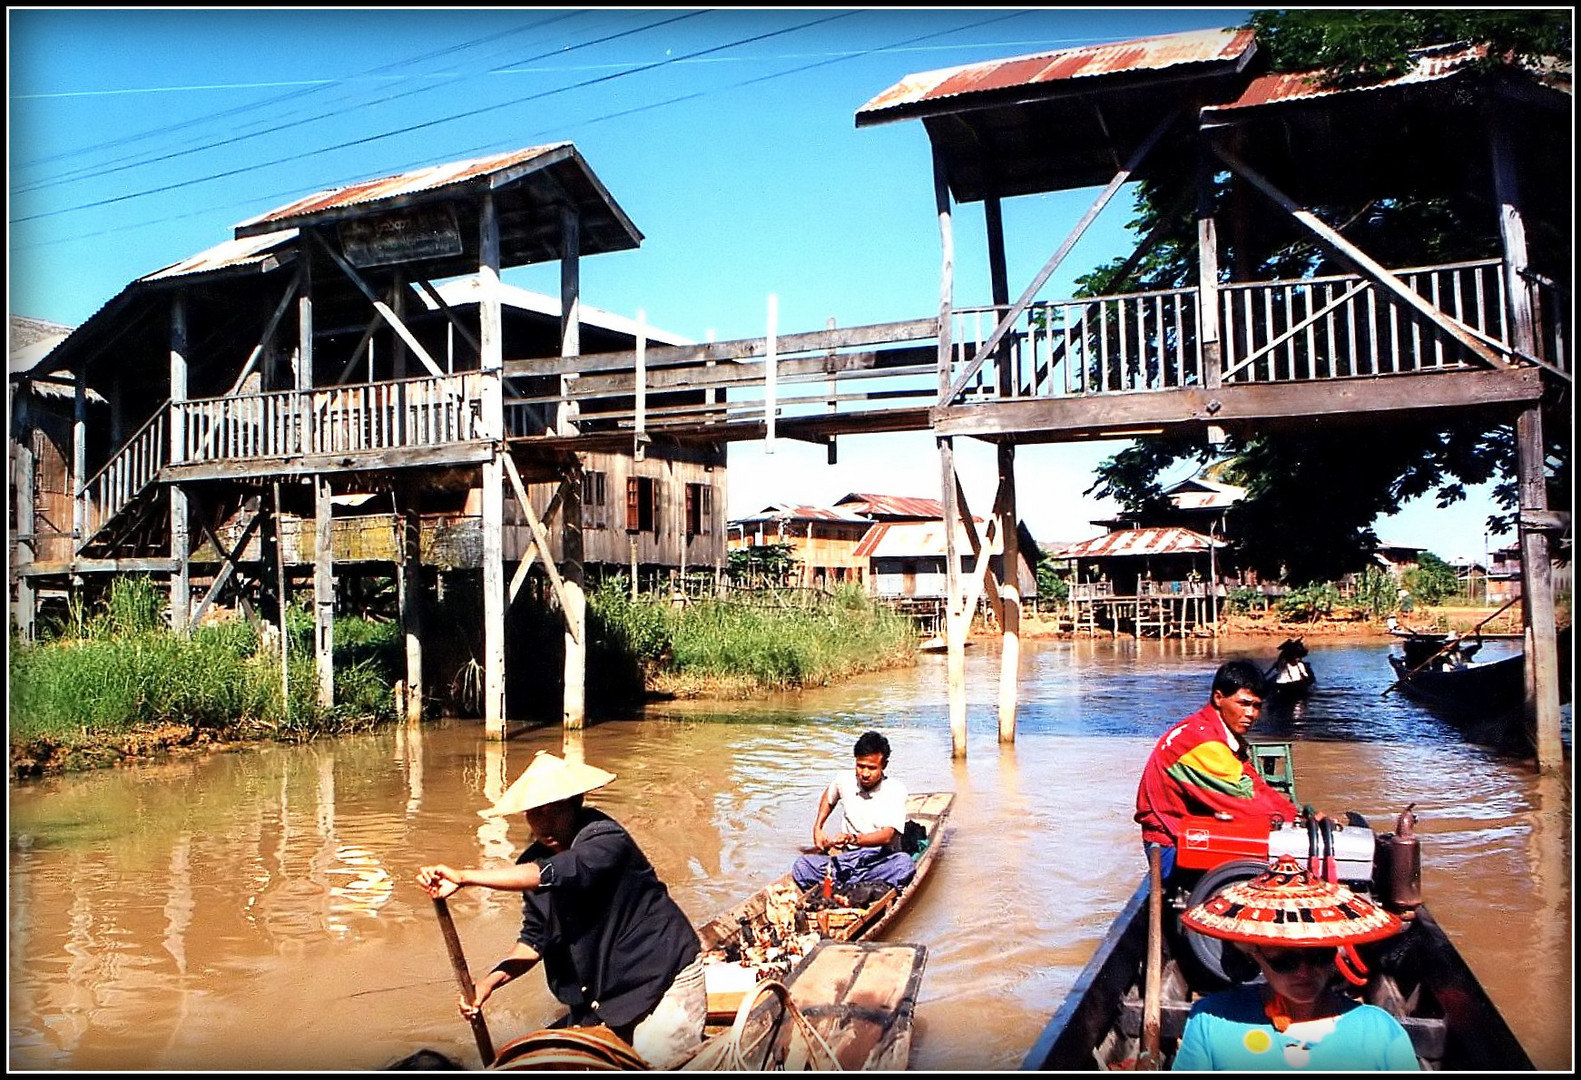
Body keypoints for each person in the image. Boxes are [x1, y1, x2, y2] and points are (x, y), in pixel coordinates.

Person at [416, 750, 705, 1070]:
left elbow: (559, 871)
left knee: (659, 1065)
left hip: (662, 978)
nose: (543, 821)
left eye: (553, 809)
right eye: (535, 812)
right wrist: (487, 984)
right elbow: (535, 940)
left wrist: (466, 877)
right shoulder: (531, 862)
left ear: (576, 802)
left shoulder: (605, 841)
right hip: (605, 995)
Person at [1172, 855, 1420, 1070]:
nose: (1304, 972)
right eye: (1285, 960)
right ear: (1253, 953)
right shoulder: (1212, 1019)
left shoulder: (1379, 1029)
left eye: (1319, 956)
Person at [1135, 659, 1303, 880]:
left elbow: (1254, 785)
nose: (1251, 713)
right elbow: (1245, 802)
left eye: (1256, 706)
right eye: (1243, 703)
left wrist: (1296, 816)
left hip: (1189, 830)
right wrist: (1293, 824)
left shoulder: (1215, 732)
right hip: (1170, 842)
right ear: (1218, 698)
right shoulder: (1202, 742)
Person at [791, 730, 916, 892]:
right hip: (847, 860)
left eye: (871, 768)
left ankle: (847, 886)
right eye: (860, 766)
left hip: (879, 859)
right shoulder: (844, 780)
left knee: (904, 864)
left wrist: (853, 838)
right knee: (802, 865)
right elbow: (829, 797)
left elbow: (887, 836)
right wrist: (818, 827)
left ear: (884, 765)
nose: (864, 773)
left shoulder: (895, 790)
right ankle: (857, 886)